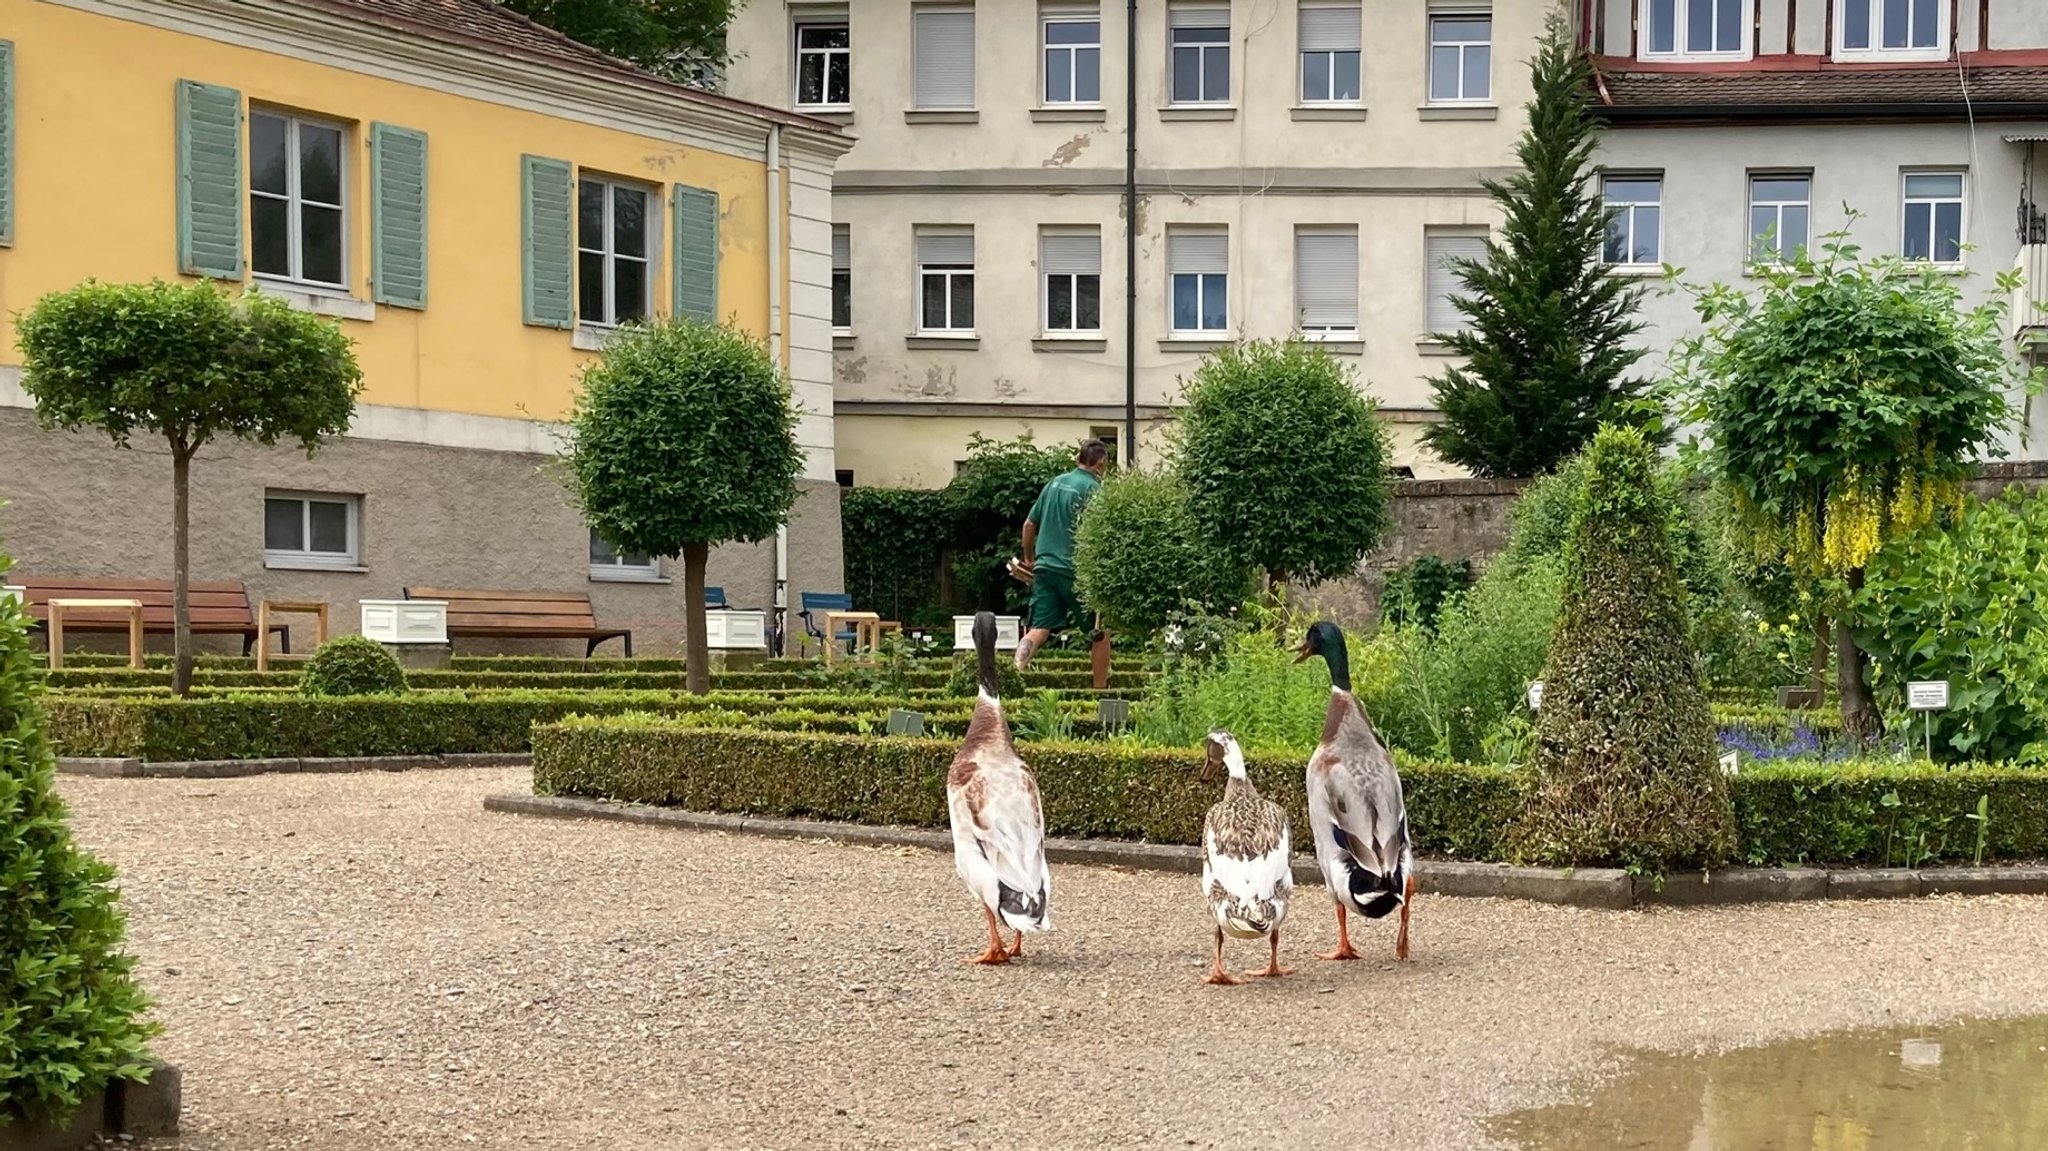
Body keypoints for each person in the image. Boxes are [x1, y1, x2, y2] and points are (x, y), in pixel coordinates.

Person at [1014, 438, 1109, 670]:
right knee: (1099, 631)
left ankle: (1015, 671)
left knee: (1038, 629)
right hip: (1074, 571)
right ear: (1101, 464)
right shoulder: (1094, 489)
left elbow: (1028, 525)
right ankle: (1101, 688)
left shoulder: (1054, 483)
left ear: (1079, 459)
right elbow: (1101, 533)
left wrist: (1029, 559)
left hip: (1045, 569)